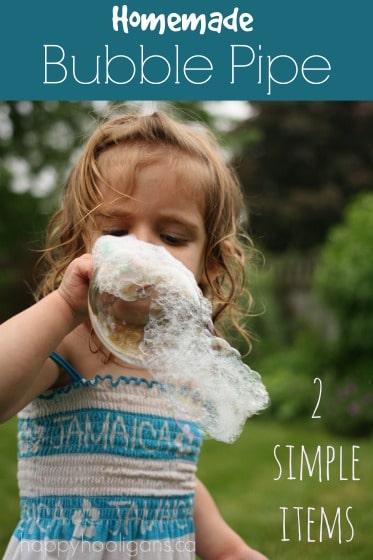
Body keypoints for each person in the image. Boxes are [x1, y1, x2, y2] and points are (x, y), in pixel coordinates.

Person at [0, 109, 268, 559]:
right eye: (116, 231)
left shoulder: (185, 369)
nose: (141, 249)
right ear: (78, 246)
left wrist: (230, 551)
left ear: (210, 265)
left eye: (172, 236)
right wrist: (66, 306)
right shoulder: (71, 345)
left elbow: (168, 474)